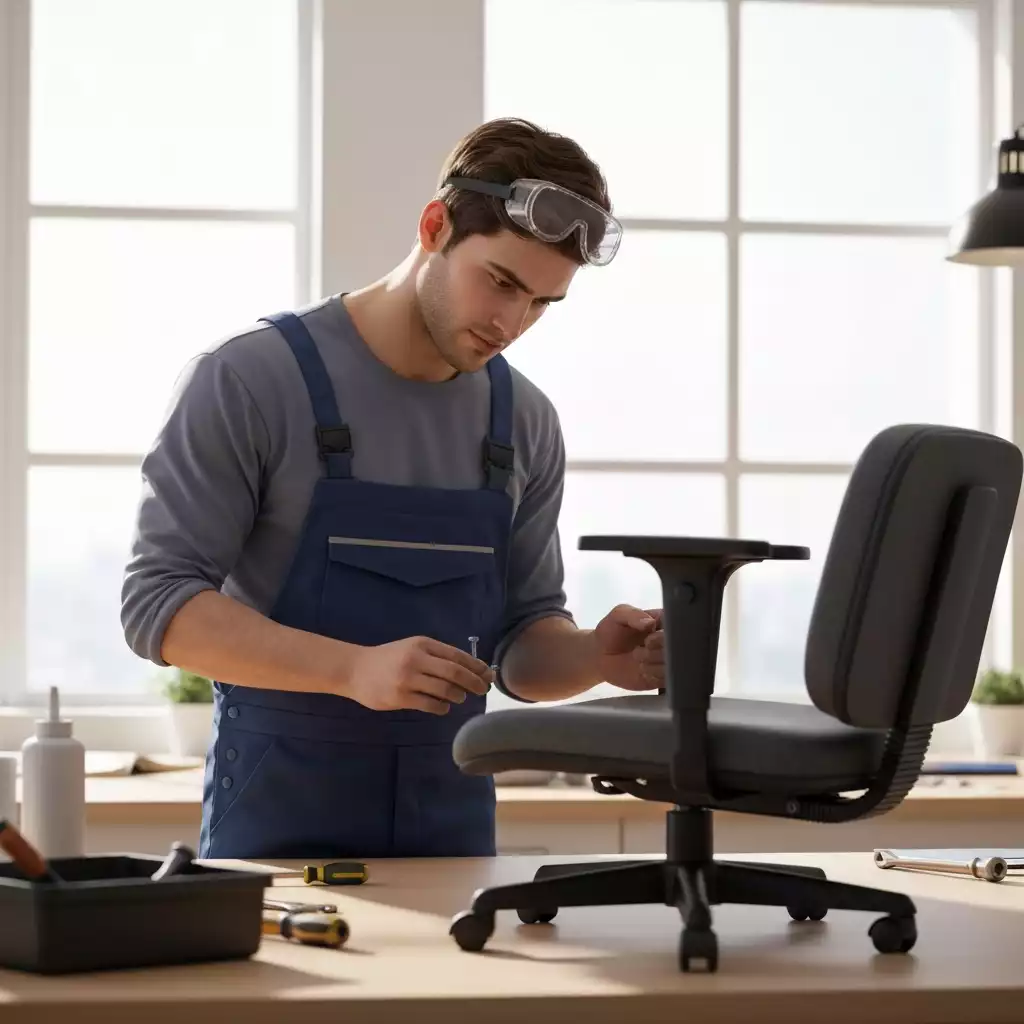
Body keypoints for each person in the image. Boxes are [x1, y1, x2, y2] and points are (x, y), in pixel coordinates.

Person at [121, 117, 665, 861]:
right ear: (435, 225)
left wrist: (594, 659)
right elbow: (159, 608)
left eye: (542, 303)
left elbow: (521, 646)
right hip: (278, 834)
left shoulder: (525, 421)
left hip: (453, 833)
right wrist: (353, 670)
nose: (512, 321)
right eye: (501, 282)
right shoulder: (250, 380)